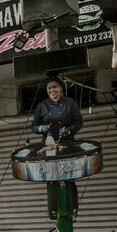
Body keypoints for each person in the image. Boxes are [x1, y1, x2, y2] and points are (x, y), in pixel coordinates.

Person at [31, 76, 82, 219]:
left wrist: (69, 130)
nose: (52, 90)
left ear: (60, 88)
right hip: (49, 145)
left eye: (55, 87)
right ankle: (53, 212)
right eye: (49, 88)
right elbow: (34, 126)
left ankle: (73, 210)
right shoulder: (42, 105)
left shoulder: (70, 103)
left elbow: (78, 122)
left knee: (69, 176)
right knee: (52, 177)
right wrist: (41, 127)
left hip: (67, 144)